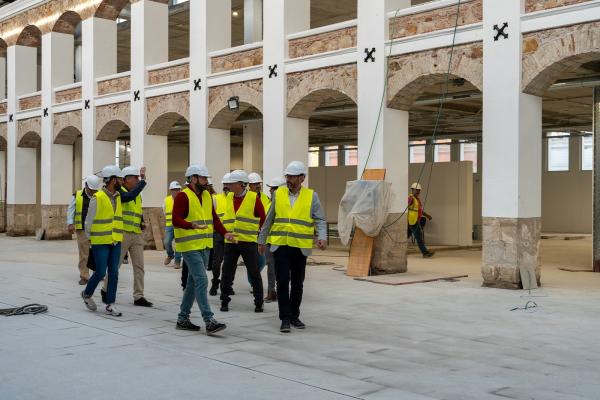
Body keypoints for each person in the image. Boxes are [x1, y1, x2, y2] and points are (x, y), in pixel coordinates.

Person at [258, 161, 327, 333]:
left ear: (302, 178)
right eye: (287, 176)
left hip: (300, 247)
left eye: (292, 176)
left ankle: (294, 315)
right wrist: (262, 239)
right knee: (282, 281)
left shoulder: (312, 196)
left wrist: (322, 237)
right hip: (280, 245)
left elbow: (320, 219)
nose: (288, 179)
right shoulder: (279, 193)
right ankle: (285, 318)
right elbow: (270, 218)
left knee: (298, 283)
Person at [172, 164, 233, 335]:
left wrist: (225, 233)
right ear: (193, 178)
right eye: (204, 178)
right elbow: (176, 219)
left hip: (205, 246)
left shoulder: (206, 195)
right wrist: (190, 225)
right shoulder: (183, 196)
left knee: (192, 284)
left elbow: (213, 217)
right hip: (189, 246)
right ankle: (209, 320)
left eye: (206, 178)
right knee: (202, 280)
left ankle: (182, 318)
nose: (206, 181)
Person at [101, 166, 153, 307]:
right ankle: (105, 290)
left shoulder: (137, 195)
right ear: (126, 179)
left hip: (136, 234)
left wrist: (141, 222)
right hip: (122, 234)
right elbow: (129, 197)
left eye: (138, 178)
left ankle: (138, 296)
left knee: (139, 267)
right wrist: (143, 182)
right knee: (115, 266)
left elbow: (137, 210)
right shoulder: (119, 193)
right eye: (135, 178)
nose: (137, 180)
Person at [80, 165, 125, 317]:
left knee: (114, 272)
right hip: (100, 241)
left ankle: (109, 304)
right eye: (119, 178)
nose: (121, 181)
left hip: (115, 240)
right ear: (113, 180)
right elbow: (89, 221)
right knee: (100, 272)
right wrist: (90, 239)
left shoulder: (118, 196)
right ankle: (87, 294)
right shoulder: (97, 197)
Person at [219, 170, 266, 313]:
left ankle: (259, 302)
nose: (228, 186)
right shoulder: (228, 198)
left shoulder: (253, 198)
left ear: (240, 184)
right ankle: (224, 301)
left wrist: (261, 241)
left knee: (254, 272)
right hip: (231, 243)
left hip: (248, 242)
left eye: (231, 183)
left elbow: (263, 219)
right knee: (226, 272)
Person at [67, 175, 102, 285]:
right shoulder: (77, 195)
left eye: (94, 190)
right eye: (91, 190)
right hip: (82, 228)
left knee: (98, 252)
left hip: (97, 227)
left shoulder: (100, 195)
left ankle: (98, 273)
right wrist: (70, 223)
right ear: (86, 185)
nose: (92, 192)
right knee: (84, 253)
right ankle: (84, 276)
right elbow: (71, 209)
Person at [208, 173, 233, 296]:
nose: (226, 186)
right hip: (218, 234)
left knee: (229, 264)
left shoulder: (236, 199)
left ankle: (228, 285)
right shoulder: (216, 198)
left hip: (232, 235)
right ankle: (215, 282)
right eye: (225, 184)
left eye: (228, 184)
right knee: (216, 263)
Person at [262, 177, 286, 303]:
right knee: (271, 267)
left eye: (273, 188)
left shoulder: (284, 205)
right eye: (271, 188)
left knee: (281, 268)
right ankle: (272, 291)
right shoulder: (268, 204)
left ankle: (280, 291)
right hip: (269, 241)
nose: (270, 190)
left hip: (281, 241)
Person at [247, 172, 270, 290]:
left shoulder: (265, 197)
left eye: (258, 184)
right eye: (255, 184)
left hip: (262, 233)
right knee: (256, 261)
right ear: (249, 186)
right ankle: (253, 283)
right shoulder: (245, 198)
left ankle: (252, 279)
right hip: (250, 234)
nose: (258, 186)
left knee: (262, 261)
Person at [407, 182, 435, 258]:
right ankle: (425, 252)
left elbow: (419, 210)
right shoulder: (411, 198)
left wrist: (427, 215)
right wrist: (409, 200)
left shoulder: (417, 200)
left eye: (419, 190)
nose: (418, 192)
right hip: (412, 221)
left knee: (405, 236)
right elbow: (406, 205)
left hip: (413, 221)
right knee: (419, 237)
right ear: (412, 190)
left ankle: (396, 250)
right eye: (417, 190)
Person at [163, 181, 182, 269]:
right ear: (171, 191)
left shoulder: (183, 199)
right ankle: (170, 255)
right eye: (174, 190)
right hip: (169, 225)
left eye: (178, 190)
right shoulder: (166, 200)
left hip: (180, 225)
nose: (176, 192)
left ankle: (177, 261)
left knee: (178, 244)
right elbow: (164, 212)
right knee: (167, 242)